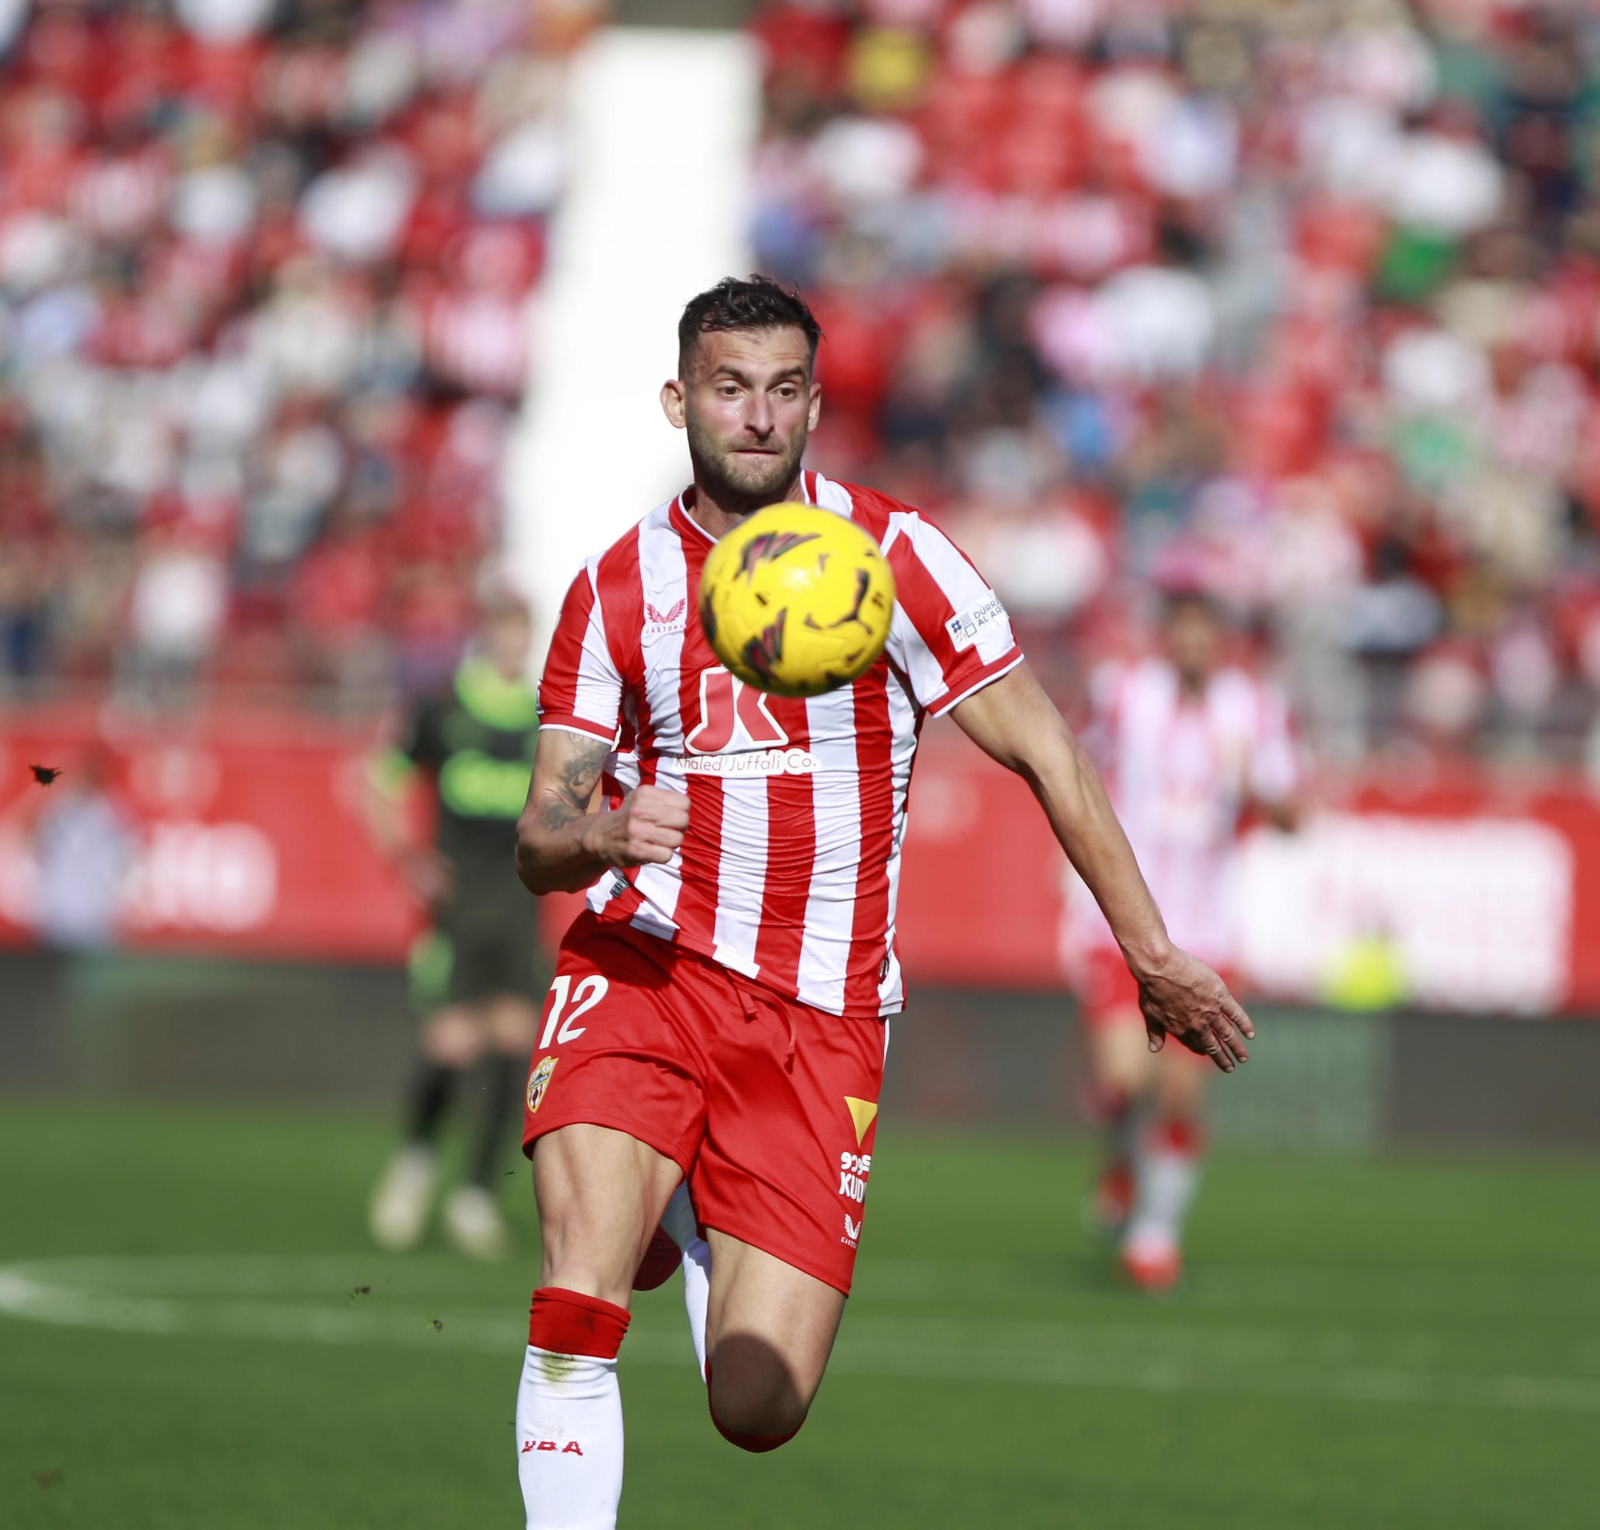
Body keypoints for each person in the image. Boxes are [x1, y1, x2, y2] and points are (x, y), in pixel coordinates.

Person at [508, 276, 1254, 1529]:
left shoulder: (897, 558)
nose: (758, 416)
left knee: (758, 1405)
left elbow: (1049, 752)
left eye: (784, 390)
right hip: (645, 970)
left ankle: (683, 1202)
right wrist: (596, 834)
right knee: (576, 1295)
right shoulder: (614, 590)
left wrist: (1152, 952)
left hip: (821, 1015)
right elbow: (539, 836)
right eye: (730, 389)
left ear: (813, 405)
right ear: (679, 401)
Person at [1071, 588, 1301, 1292]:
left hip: (1205, 932)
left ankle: (1155, 1234)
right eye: (1182, 631)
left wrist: (1255, 786)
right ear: (1166, 636)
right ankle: (1120, 1161)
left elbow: (1294, 815)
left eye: (1205, 632)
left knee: (1180, 1092)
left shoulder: (1255, 709)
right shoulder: (1124, 694)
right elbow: (1073, 770)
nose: (1193, 645)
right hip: (1124, 924)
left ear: (1221, 640)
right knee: (1123, 1079)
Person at [366, 586, 551, 1262]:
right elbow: (380, 780)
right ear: (486, 634)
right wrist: (407, 857)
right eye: (503, 629)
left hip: (518, 900)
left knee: (513, 1038)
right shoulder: (444, 709)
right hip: (458, 903)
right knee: (451, 1041)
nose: (512, 643)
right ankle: (415, 1162)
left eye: (521, 631)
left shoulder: (543, 715)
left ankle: (475, 1195)